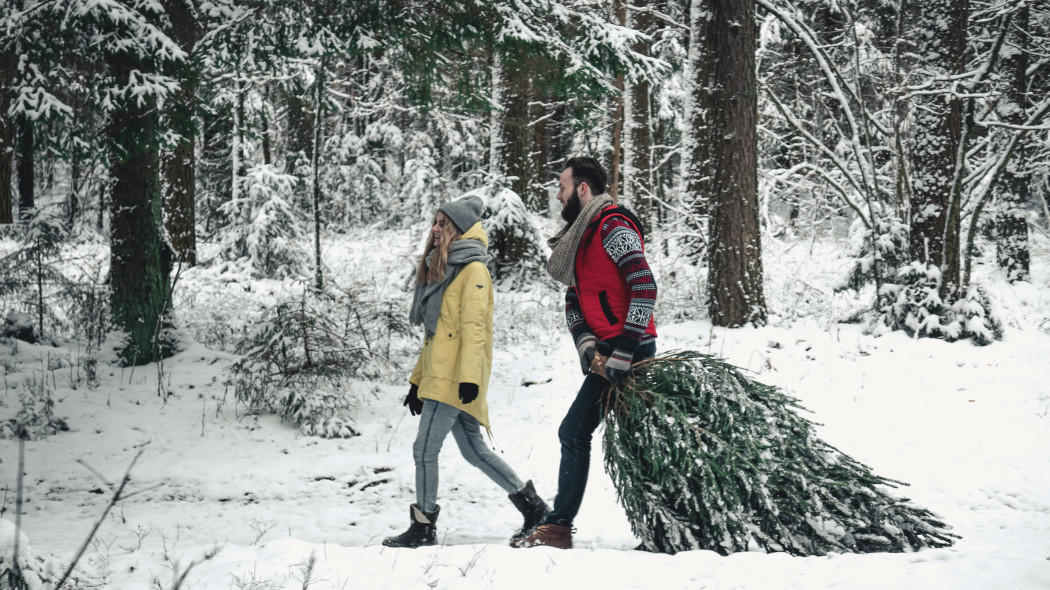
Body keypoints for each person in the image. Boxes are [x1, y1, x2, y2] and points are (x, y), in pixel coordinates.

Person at [383, 194, 549, 549]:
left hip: (456, 380)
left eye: (443, 223)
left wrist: (471, 380)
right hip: (441, 377)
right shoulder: (445, 270)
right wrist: (416, 382)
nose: (435, 229)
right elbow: (436, 336)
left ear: (458, 228)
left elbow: (475, 330)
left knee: (424, 449)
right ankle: (534, 509)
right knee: (473, 450)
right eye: (435, 222)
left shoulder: (473, 270)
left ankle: (423, 526)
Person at [511, 157, 657, 550]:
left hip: (631, 349)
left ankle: (558, 527)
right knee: (623, 438)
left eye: (562, 187)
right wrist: (587, 345)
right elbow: (574, 299)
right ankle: (565, 526)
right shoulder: (581, 235)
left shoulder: (613, 226)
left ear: (583, 188)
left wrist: (624, 352)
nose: (557, 196)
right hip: (605, 351)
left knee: (576, 432)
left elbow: (645, 287)